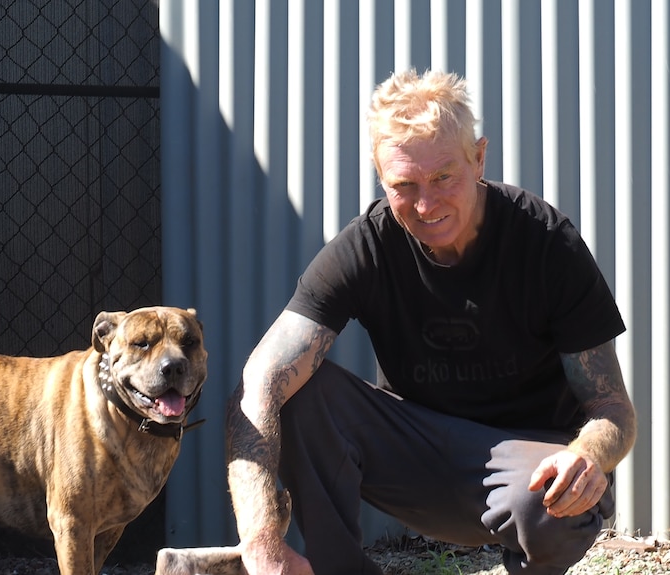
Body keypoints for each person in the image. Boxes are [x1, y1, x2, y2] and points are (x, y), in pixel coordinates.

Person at [225, 68, 637, 575]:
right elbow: (259, 383)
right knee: (293, 393)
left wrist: (587, 455)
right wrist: (261, 543)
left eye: (444, 177)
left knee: (545, 496)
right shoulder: (368, 245)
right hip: (418, 456)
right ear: (382, 178)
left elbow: (613, 408)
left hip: (529, 467)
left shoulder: (545, 241)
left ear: (479, 157)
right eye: (405, 184)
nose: (426, 204)